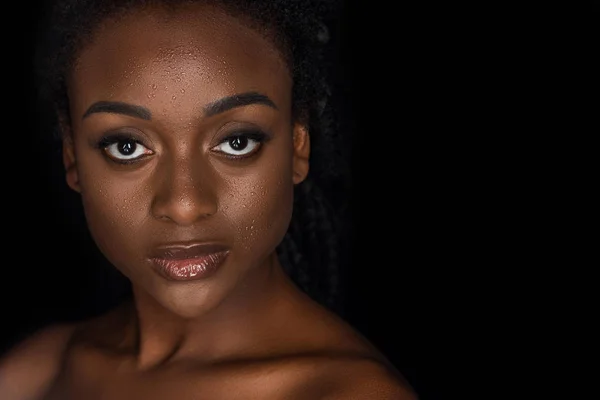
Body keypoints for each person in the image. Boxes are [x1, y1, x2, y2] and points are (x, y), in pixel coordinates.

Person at [0, 0, 417, 398]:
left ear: (298, 145)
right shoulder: (37, 374)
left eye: (237, 142)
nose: (184, 205)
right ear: (72, 154)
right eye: (126, 147)